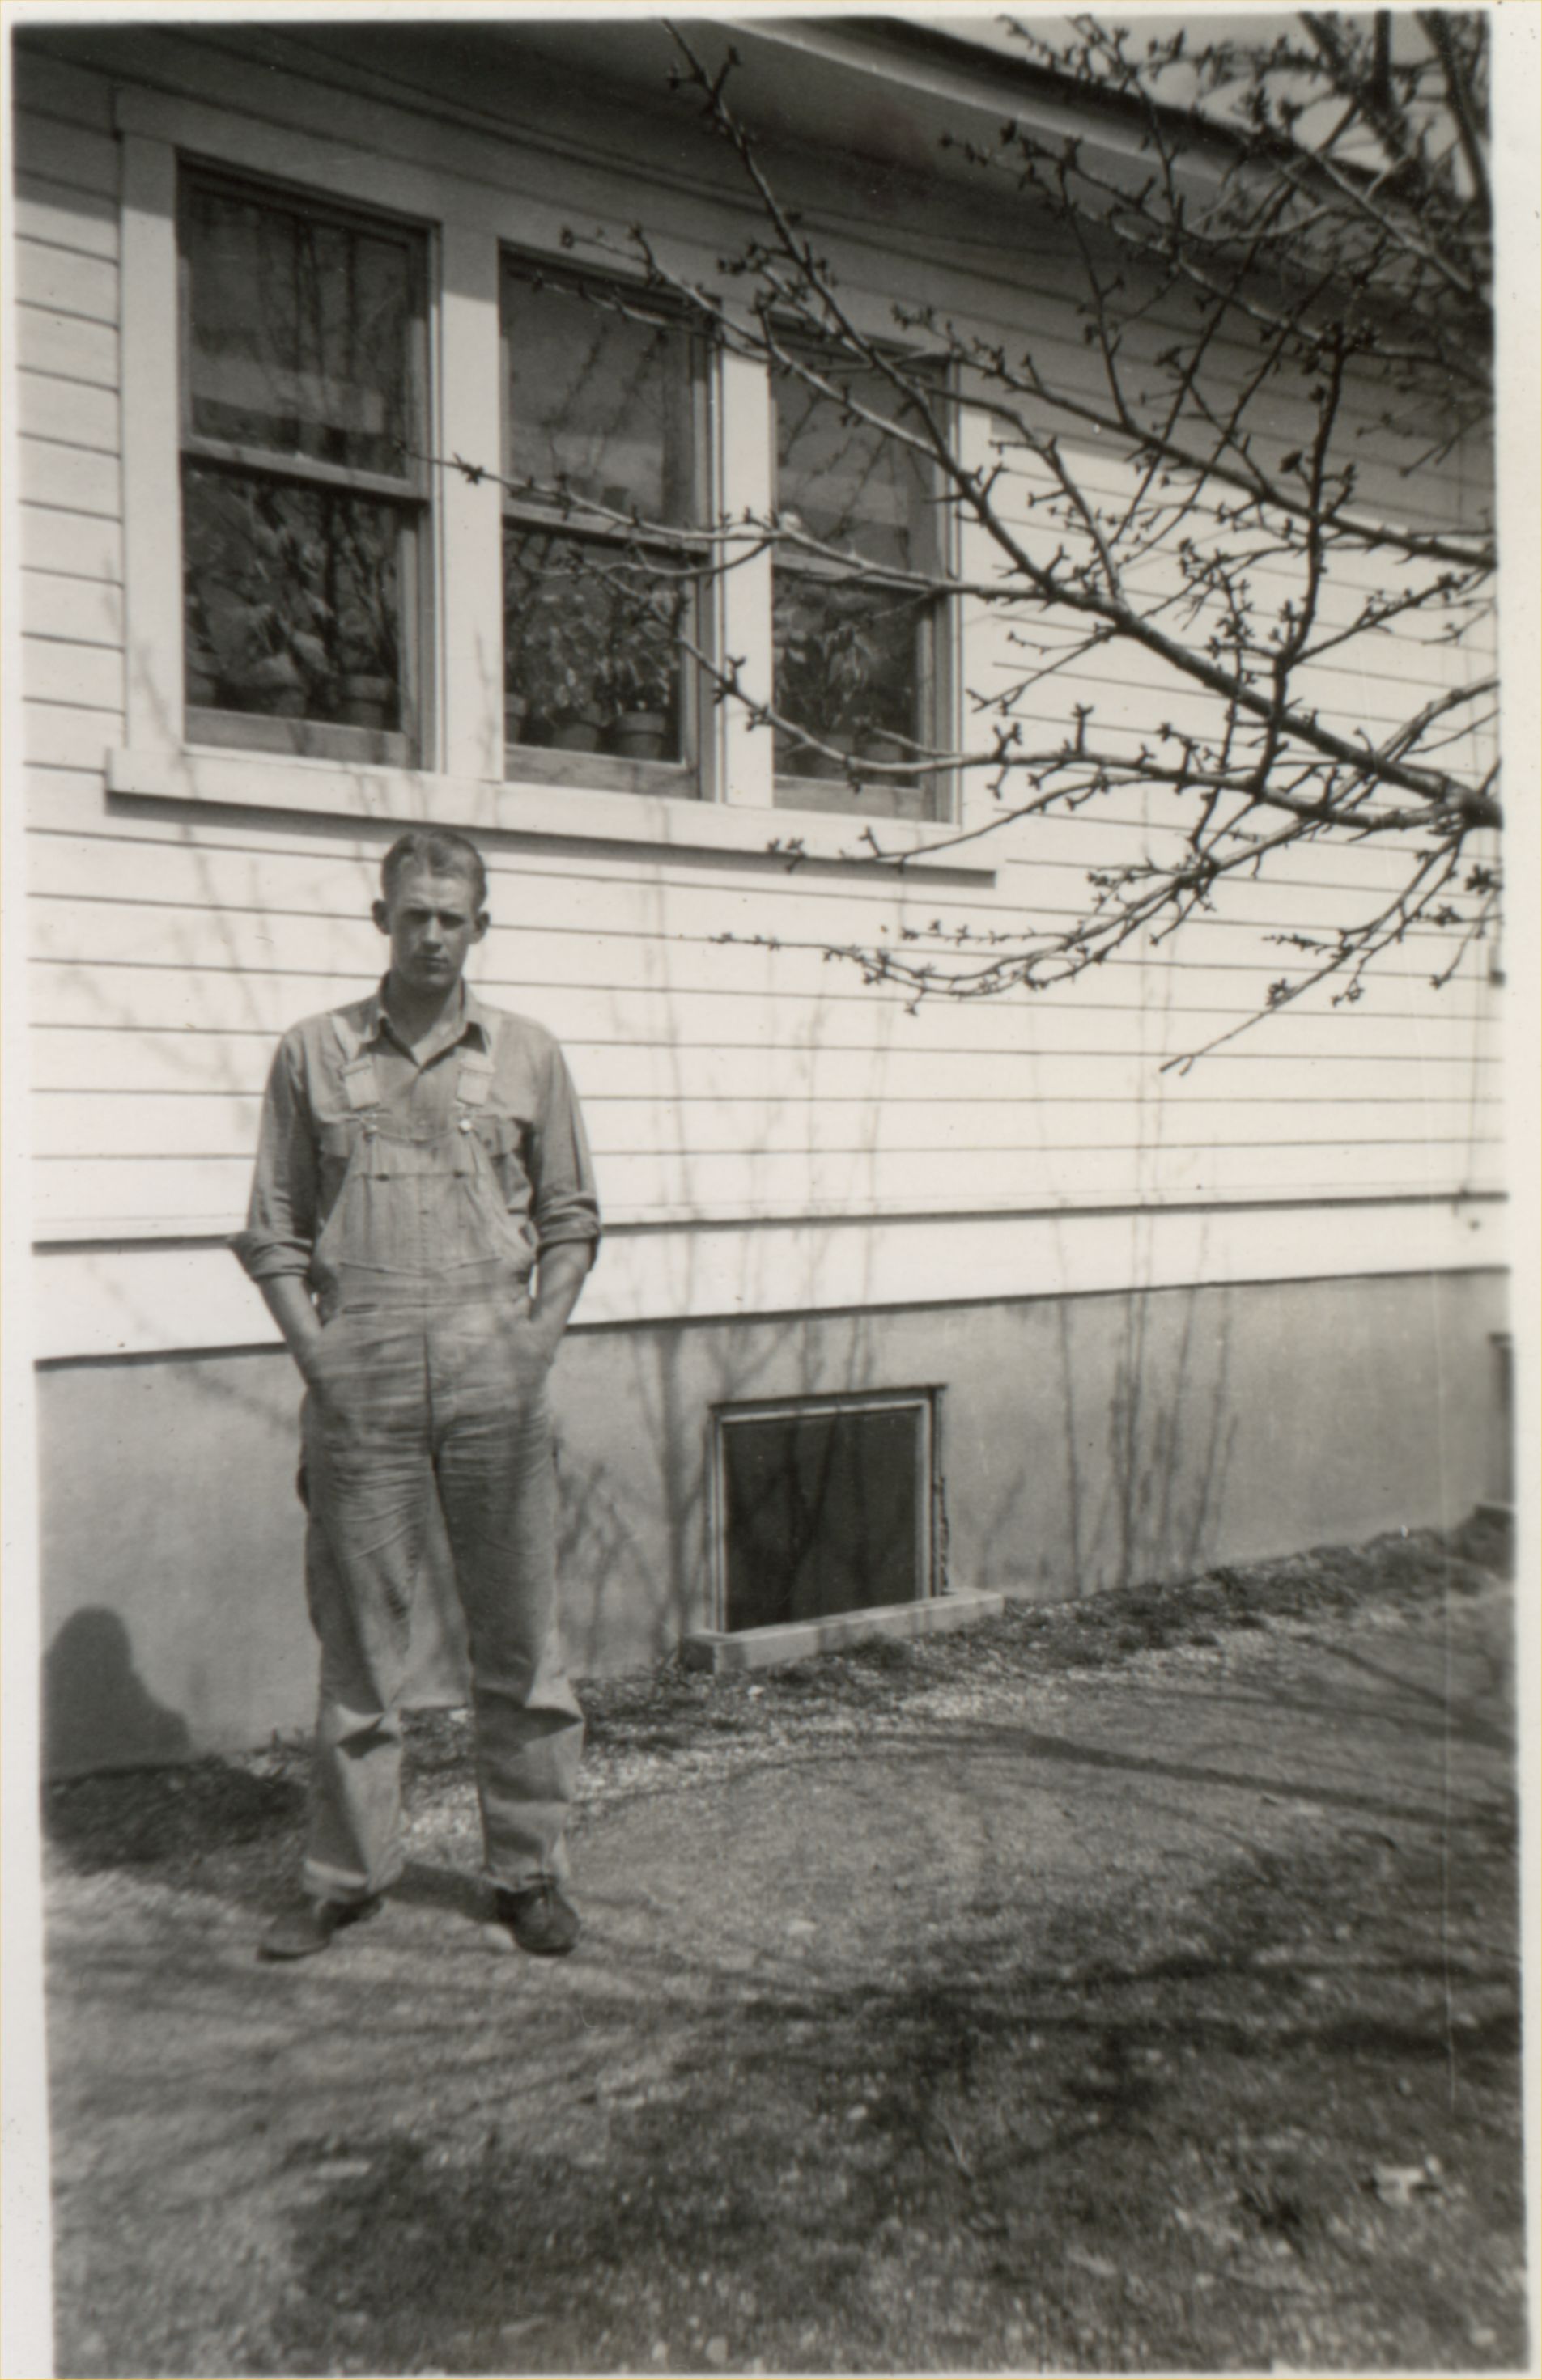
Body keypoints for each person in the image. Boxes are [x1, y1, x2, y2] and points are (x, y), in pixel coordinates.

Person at [234, 828, 600, 1961]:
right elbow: (273, 1231)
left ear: (480, 926)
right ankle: (346, 1878)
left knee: (522, 1642)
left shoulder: (529, 1054)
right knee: (360, 1648)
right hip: (364, 1378)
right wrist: (321, 1359)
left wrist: (535, 1344)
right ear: (380, 918)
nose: (431, 934)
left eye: (451, 916)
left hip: (498, 1375)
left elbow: (572, 1219)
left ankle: (528, 1874)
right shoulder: (313, 1052)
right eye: (413, 914)